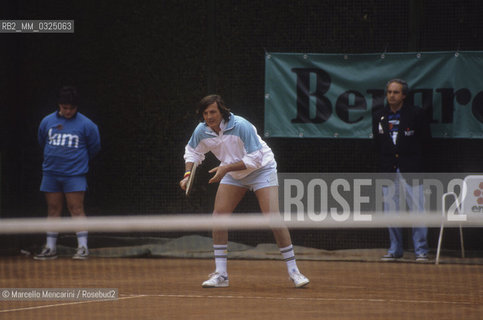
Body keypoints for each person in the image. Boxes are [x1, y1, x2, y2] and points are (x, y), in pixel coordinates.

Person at [180, 95, 309, 288]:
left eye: (213, 112)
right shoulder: (202, 130)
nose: (209, 116)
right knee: (219, 216)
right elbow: (192, 152)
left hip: (262, 169)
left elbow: (255, 158)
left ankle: (294, 272)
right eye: (206, 113)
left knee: (272, 217)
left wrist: (225, 169)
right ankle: (221, 274)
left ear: (221, 111)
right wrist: (188, 173)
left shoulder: (241, 125)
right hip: (234, 173)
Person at [35, 86, 101, 260]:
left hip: (75, 175)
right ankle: (50, 248)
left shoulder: (87, 125)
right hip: (50, 174)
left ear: (76, 107)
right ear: (59, 105)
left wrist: (77, 163)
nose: (68, 111)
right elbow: (42, 140)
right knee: (53, 209)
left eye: (71, 108)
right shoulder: (46, 122)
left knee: (76, 209)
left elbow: (94, 147)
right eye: (65, 108)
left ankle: (83, 248)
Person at [372, 79, 431, 262]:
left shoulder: (416, 114)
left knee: (418, 211)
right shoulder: (379, 116)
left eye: (396, 92)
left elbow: (426, 142)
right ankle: (395, 249)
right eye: (389, 92)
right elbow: (377, 144)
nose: (391, 95)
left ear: (404, 95)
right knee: (391, 212)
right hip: (388, 171)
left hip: (412, 170)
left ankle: (421, 251)